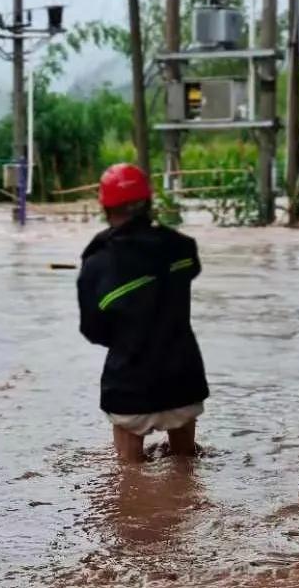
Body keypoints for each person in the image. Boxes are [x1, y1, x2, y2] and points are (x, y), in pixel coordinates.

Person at [77, 163, 209, 463]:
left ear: (105, 207)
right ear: (149, 202)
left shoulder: (98, 263)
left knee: (128, 475)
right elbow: (191, 269)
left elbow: (93, 331)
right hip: (184, 380)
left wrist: (128, 338)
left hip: (129, 387)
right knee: (186, 465)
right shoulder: (181, 248)